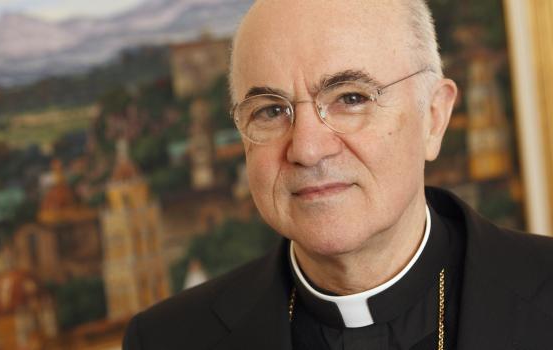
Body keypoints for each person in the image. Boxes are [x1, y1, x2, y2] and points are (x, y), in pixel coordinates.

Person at [123, 0, 553, 349]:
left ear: (434, 118)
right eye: (271, 111)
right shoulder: (167, 339)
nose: (308, 150)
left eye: (350, 98)